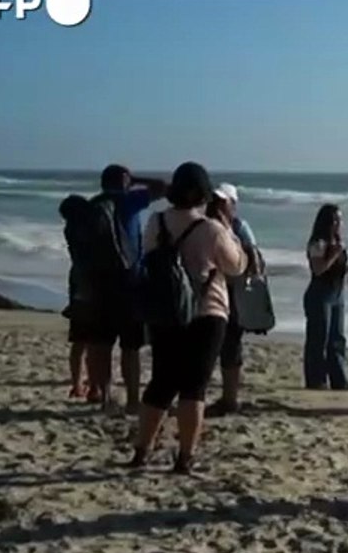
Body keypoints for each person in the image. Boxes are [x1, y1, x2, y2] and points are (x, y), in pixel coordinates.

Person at [129, 162, 247, 474]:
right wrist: (229, 230)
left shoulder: (157, 221)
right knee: (194, 387)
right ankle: (185, 456)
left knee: (161, 383)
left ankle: (142, 450)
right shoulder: (212, 229)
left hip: (165, 311)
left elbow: (148, 254)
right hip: (207, 311)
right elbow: (236, 266)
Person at [86, 164, 167, 414]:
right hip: (131, 283)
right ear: (124, 181)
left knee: (101, 346)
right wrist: (136, 179)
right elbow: (163, 187)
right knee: (130, 348)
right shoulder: (129, 200)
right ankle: (132, 400)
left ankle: (105, 398)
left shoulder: (93, 205)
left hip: (98, 284)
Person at [207, 182, 263, 416]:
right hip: (209, 292)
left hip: (232, 293)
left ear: (233, 205)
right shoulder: (204, 226)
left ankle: (230, 398)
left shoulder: (239, 228)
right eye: (215, 201)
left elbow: (255, 263)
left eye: (223, 202)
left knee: (230, 347)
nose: (217, 206)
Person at [303, 204, 348, 391]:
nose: (337, 224)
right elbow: (318, 269)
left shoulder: (338, 242)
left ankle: (338, 378)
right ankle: (316, 379)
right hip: (320, 293)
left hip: (337, 293)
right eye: (334, 220)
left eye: (339, 220)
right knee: (319, 338)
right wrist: (333, 255)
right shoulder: (319, 243)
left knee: (337, 337)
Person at [59, 194, 97, 399]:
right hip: (89, 283)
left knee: (80, 340)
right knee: (91, 340)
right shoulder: (88, 232)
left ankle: (77, 383)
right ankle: (90, 383)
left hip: (77, 282)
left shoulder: (71, 230)